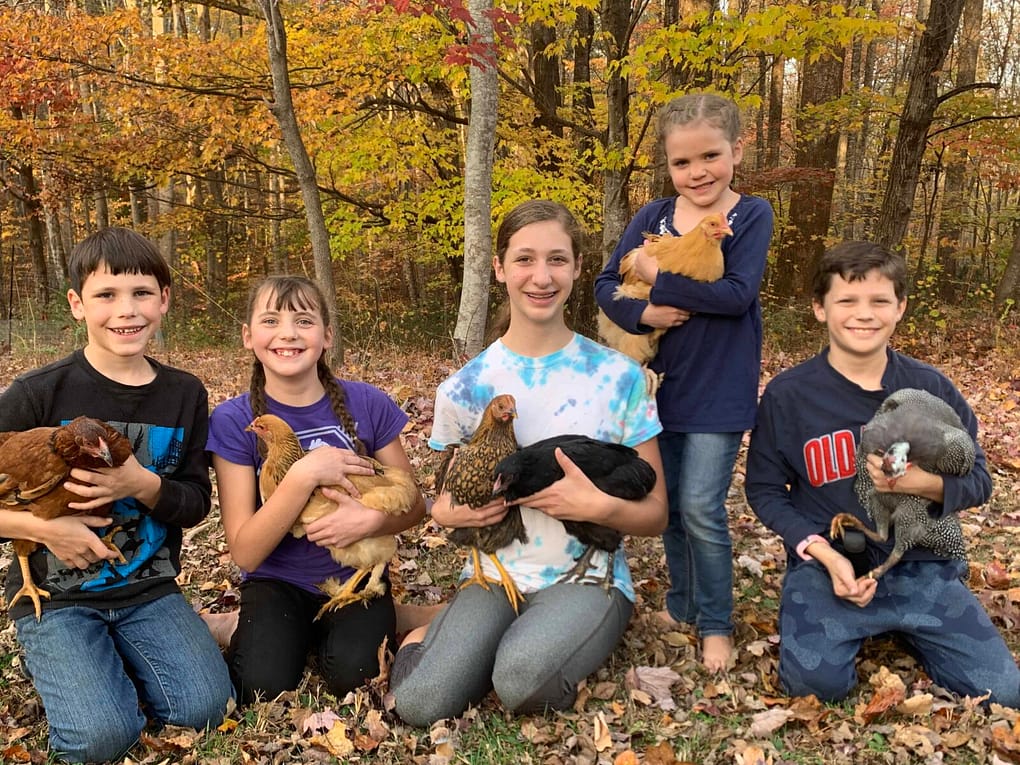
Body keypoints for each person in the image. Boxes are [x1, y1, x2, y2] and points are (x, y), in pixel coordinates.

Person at [390, 199, 668, 726]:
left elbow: (656, 514)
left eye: (557, 260)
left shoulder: (619, 376)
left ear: (579, 267)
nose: (541, 276)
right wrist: (446, 516)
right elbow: (443, 502)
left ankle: (548, 632)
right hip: (495, 574)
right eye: (524, 260)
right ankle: (438, 628)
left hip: (587, 578)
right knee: (419, 702)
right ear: (499, 268)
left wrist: (596, 505)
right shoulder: (464, 388)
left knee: (521, 681)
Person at [744, 240, 1020, 706]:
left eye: (879, 301)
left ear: (900, 308)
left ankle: (915, 625)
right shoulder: (788, 396)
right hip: (832, 565)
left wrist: (924, 484)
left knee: (1005, 694)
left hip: (922, 564)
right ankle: (858, 622)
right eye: (847, 300)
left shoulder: (930, 389)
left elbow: (979, 478)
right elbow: (766, 489)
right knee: (816, 687)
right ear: (819, 308)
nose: (863, 314)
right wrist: (820, 553)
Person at [0, 227, 233, 763]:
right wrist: (42, 530)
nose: (126, 311)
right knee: (100, 738)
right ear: (78, 305)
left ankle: (125, 654)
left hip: (147, 587)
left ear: (165, 300)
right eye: (106, 295)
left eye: (142, 293)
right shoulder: (38, 392)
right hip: (57, 597)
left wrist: (142, 485)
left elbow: (197, 503)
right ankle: (80, 662)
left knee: (206, 708)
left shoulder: (184, 393)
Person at [594, 92, 774, 671]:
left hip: (720, 388)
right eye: (681, 162)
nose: (697, 172)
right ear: (668, 165)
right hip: (657, 389)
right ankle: (683, 601)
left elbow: (735, 295)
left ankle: (717, 622)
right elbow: (603, 285)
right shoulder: (651, 218)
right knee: (669, 506)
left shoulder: (750, 216)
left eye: (710, 156)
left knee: (701, 507)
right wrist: (644, 313)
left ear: (737, 150)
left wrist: (658, 277)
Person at [206, 275, 426, 704]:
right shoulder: (234, 420)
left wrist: (374, 519)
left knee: (357, 676)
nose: (288, 333)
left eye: (303, 321)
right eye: (271, 320)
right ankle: (241, 622)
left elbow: (416, 504)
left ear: (327, 336)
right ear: (248, 336)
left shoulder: (368, 403)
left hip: (357, 571)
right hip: (276, 579)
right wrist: (304, 474)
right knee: (261, 686)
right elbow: (246, 552)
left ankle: (393, 616)